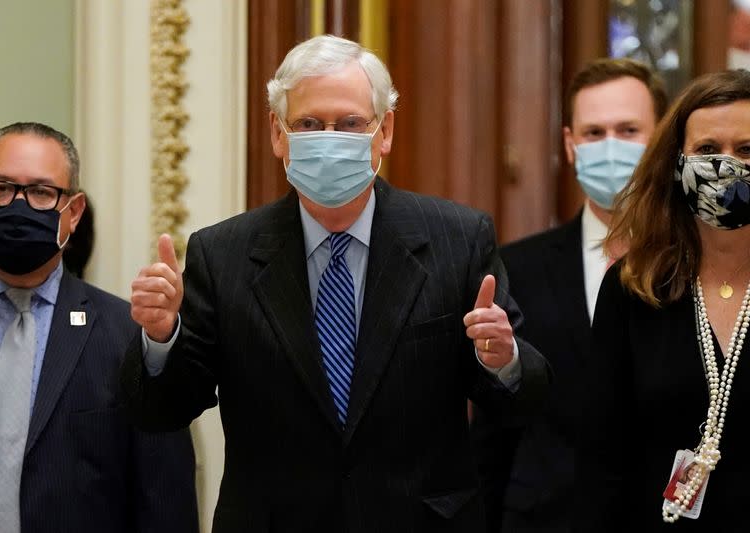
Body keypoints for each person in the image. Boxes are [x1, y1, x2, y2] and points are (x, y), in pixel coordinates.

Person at [121, 34, 549, 532]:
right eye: (308, 124)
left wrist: (501, 360)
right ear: (278, 135)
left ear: (383, 131)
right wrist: (159, 338)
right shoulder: (223, 255)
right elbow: (159, 412)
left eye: (349, 124)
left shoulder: (458, 238)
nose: (329, 138)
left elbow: (525, 401)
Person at [0, 122, 199, 533]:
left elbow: (164, 500)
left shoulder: (125, 337)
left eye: (42, 193)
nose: (19, 205)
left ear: (75, 212)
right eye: (1, 189)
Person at [470, 58, 667, 533]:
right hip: (545, 519)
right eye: (594, 133)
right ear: (570, 145)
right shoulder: (516, 267)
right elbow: (494, 433)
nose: (610, 147)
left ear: (661, 139)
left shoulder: (693, 266)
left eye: (628, 129)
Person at [575, 69, 750, 531]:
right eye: (708, 150)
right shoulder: (634, 287)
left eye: (746, 150)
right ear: (677, 163)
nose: (726, 166)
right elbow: (601, 457)